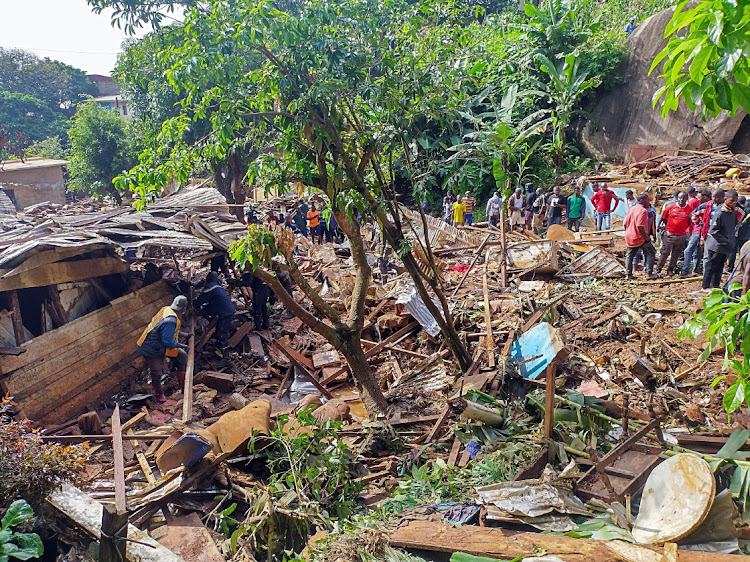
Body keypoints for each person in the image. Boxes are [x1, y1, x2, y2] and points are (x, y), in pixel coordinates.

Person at [136, 295, 190, 403]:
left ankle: (184, 388)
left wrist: (185, 335)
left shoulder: (166, 309)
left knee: (182, 356)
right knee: (156, 371)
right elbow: (167, 341)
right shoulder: (170, 320)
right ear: (184, 309)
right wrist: (182, 345)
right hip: (151, 347)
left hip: (159, 343)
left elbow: (168, 331)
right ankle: (159, 394)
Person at [703, 189, 741, 289]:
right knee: (711, 266)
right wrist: (726, 241)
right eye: (732, 200)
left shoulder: (732, 212)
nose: (734, 203)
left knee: (719, 267)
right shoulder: (720, 213)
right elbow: (713, 231)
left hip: (725, 246)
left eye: (735, 201)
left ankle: (715, 285)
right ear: (725, 199)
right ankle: (705, 286)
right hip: (717, 245)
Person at [195, 272, 235, 357]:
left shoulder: (211, 287)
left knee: (222, 333)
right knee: (218, 331)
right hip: (226, 310)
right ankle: (217, 347)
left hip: (225, 312)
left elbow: (200, 300)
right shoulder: (217, 286)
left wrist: (194, 306)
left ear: (208, 278)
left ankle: (226, 357)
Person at [656, 191, 691, 276]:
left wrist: (682, 228)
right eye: (680, 198)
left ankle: (670, 270)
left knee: (676, 254)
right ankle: (659, 268)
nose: (681, 200)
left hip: (681, 235)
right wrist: (659, 226)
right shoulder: (671, 207)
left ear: (687, 199)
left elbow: (689, 222)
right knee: (665, 252)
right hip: (669, 234)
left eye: (683, 198)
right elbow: (663, 217)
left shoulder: (689, 209)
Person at [624, 193, 657, 280]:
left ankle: (628, 274)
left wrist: (628, 231)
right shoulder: (643, 211)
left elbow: (624, 223)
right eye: (647, 200)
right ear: (642, 201)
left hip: (630, 236)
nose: (648, 201)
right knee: (651, 252)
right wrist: (646, 237)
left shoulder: (632, 209)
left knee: (629, 255)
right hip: (639, 237)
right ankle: (649, 274)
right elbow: (640, 226)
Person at [681, 188, 712, 277]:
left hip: (699, 231)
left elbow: (692, 215)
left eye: (700, 197)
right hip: (701, 231)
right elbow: (693, 215)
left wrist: (699, 224)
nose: (698, 199)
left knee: (690, 250)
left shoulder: (705, 206)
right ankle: (695, 270)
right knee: (698, 252)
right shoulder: (708, 206)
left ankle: (685, 271)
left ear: (705, 197)